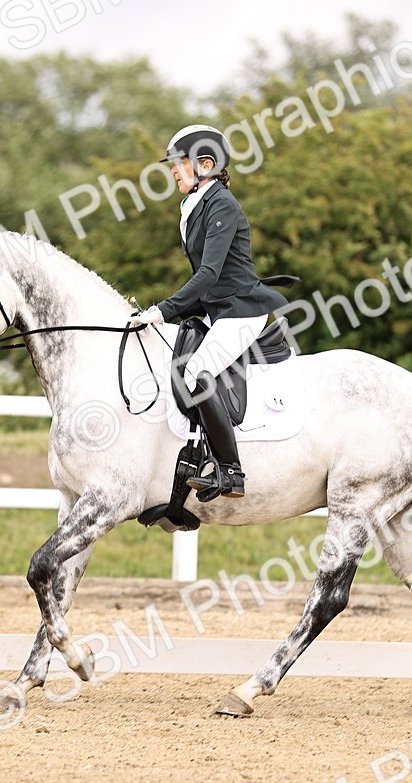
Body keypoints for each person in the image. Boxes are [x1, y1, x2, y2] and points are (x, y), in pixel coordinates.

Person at [132, 124, 290, 502]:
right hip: (217, 310)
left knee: (196, 371)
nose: (172, 171)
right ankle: (192, 453)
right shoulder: (194, 204)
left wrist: (163, 310)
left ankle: (230, 471)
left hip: (241, 311)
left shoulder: (221, 203)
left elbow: (209, 274)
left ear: (205, 164)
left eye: (180, 163)